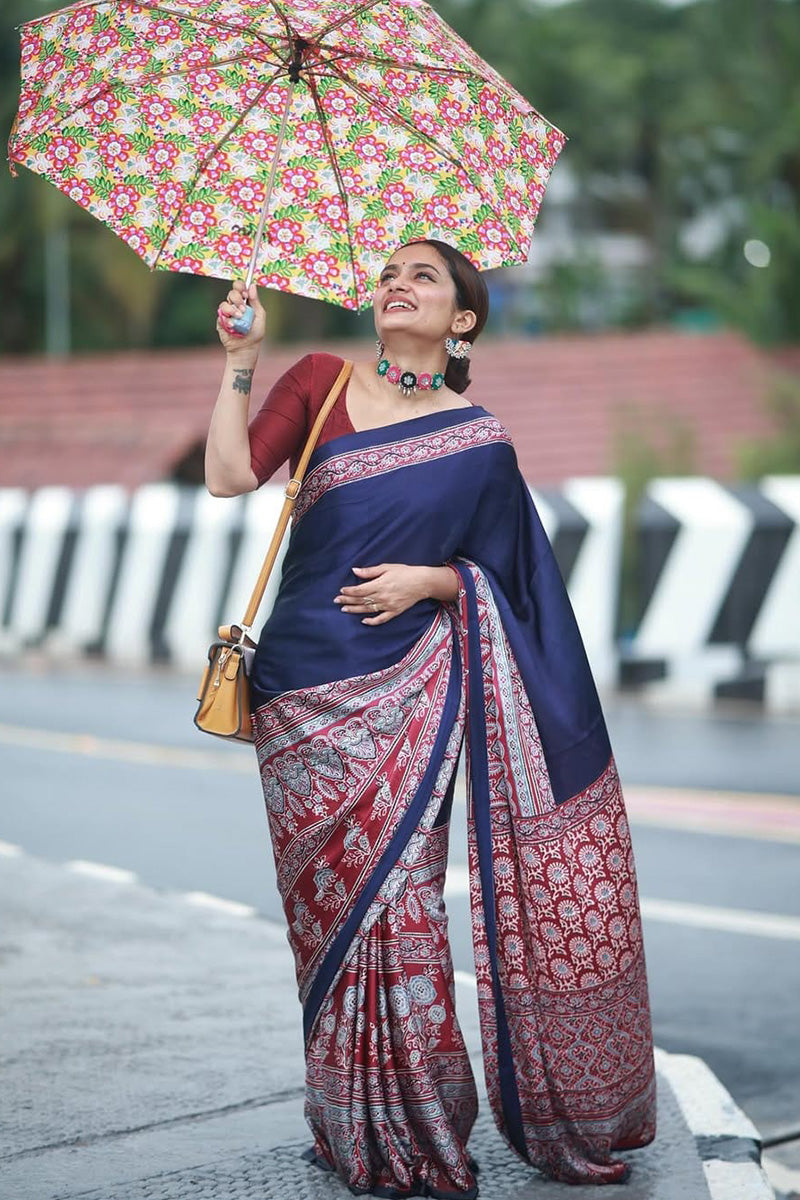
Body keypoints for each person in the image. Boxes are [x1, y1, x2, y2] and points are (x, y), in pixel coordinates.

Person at [205, 240, 657, 1197]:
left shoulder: (481, 439)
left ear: (461, 321)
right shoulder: (321, 383)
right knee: (329, 919)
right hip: (303, 697)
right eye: (388, 273)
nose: (395, 285)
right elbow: (229, 478)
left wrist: (439, 581)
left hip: (412, 686)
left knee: (403, 908)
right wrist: (241, 363)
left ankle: (421, 1131)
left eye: (423, 277)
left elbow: (520, 582)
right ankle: (352, 1120)